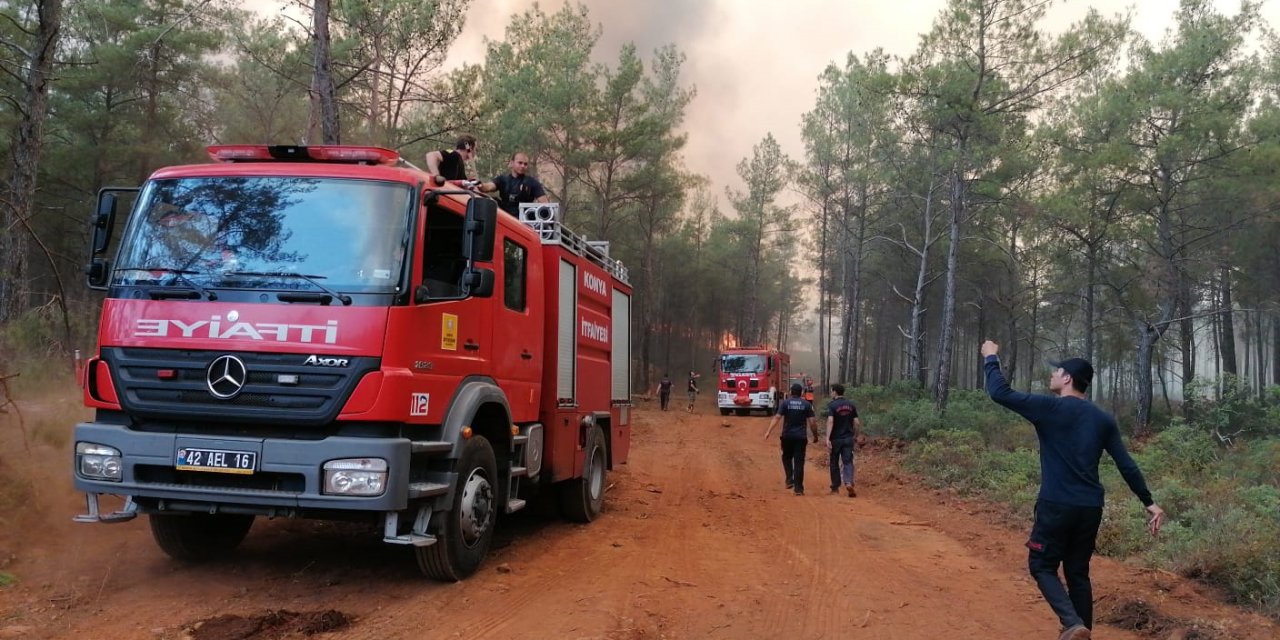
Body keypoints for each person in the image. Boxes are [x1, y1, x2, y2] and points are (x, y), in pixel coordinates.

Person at [981, 340, 1166, 640]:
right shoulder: (1103, 419)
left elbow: (1000, 393)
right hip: (1090, 507)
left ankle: (1071, 623)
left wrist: (991, 358)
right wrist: (1149, 502)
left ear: (1067, 378)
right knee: (1077, 572)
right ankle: (1083, 633)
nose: (1052, 375)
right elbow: (1126, 465)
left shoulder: (1049, 408)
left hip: (1056, 505)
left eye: (1057, 371)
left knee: (1041, 565)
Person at [763, 382, 819, 496]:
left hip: (787, 436)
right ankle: (798, 489)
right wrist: (815, 435)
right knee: (799, 462)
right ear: (802, 393)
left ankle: (789, 479)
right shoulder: (807, 404)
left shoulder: (785, 403)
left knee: (786, 457)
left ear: (790, 392)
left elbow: (777, 417)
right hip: (801, 437)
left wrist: (769, 431)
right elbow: (812, 422)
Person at [479, 152, 549, 215]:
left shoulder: (532, 182)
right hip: (505, 219)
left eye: (525, 164)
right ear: (512, 163)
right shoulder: (502, 179)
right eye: (520, 163)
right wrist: (479, 185)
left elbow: (545, 204)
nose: (523, 166)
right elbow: (488, 187)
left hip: (524, 222)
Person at [825, 383, 862, 497]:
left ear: (835, 392)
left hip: (836, 439)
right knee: (847, 461)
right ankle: (848, 482)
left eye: (831, 391)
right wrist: (855, 436)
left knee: (834, 462)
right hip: (848, 439)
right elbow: (856, 422)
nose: (831, 393)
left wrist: (827, 438)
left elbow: (830, 421)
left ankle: (835, 487)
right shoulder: (851, 405)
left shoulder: (832, 405)